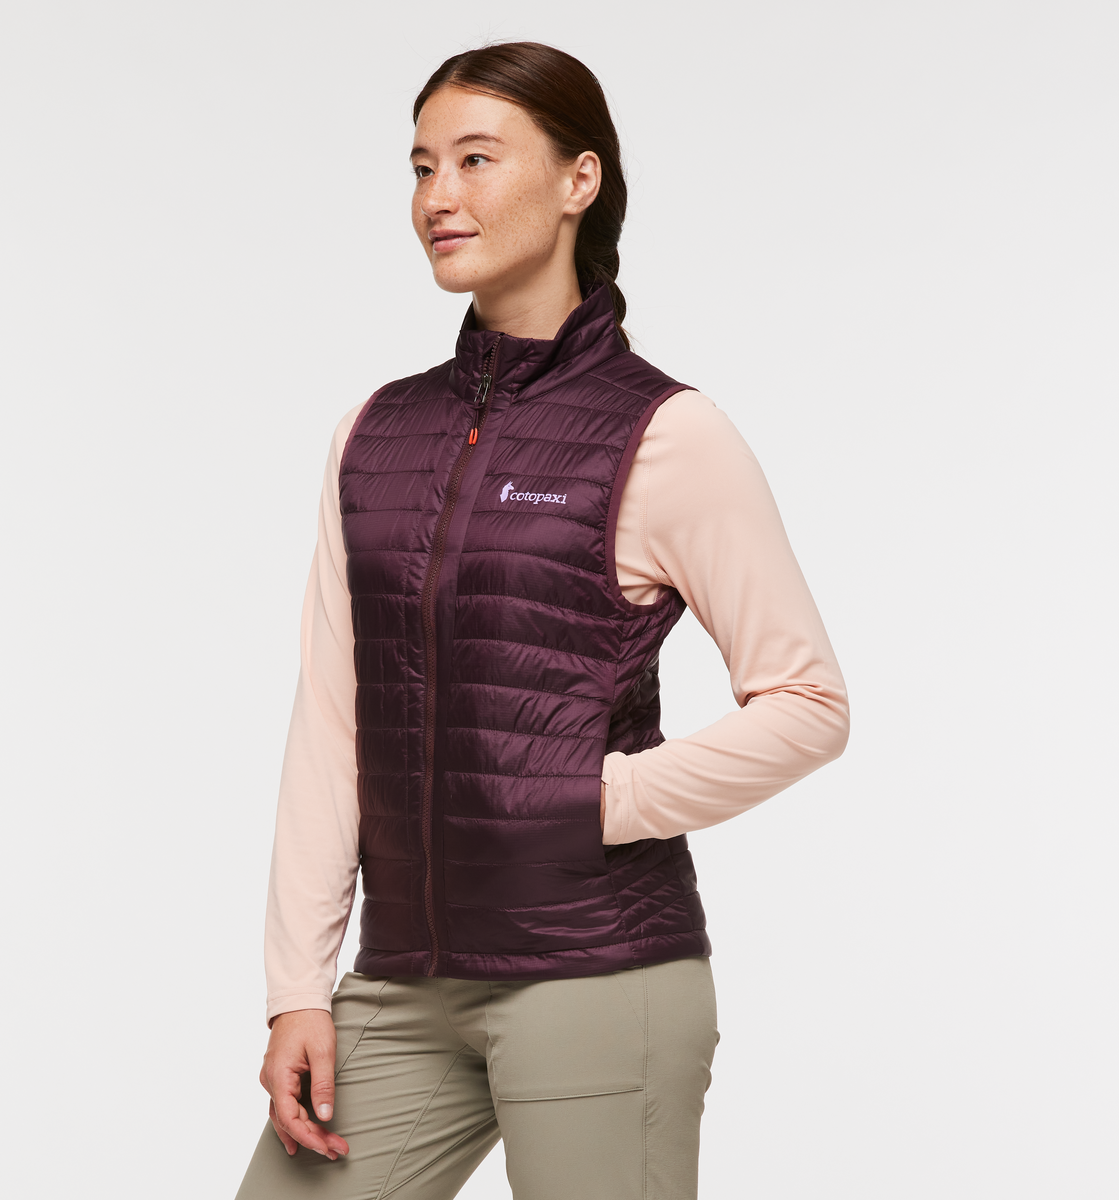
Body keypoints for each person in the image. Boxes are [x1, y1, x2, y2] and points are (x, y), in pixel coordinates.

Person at [235, 41, 849, 1200]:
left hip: (597, 974)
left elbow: (809, 704)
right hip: (401, 983)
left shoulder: (665, 432)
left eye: (476, 159)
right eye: (422, 166)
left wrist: (597, 801)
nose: (439, 196)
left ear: (580, 179)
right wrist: (298, 988)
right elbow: (332, 721)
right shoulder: (375, 433)